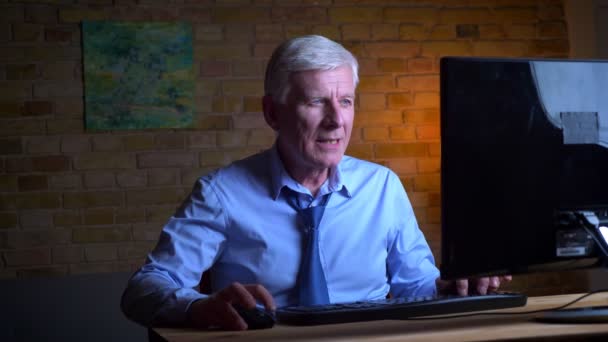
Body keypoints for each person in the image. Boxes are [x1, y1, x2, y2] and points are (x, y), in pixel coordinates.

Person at [121, 35, 510, 331]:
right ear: (273, 112)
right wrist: (196, 306)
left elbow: (417, 286)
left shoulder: (382, 187)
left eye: (346, 101)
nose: (336, 121)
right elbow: (144, 288)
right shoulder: (222, 194)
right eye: (315, 102)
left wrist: (457, 286)